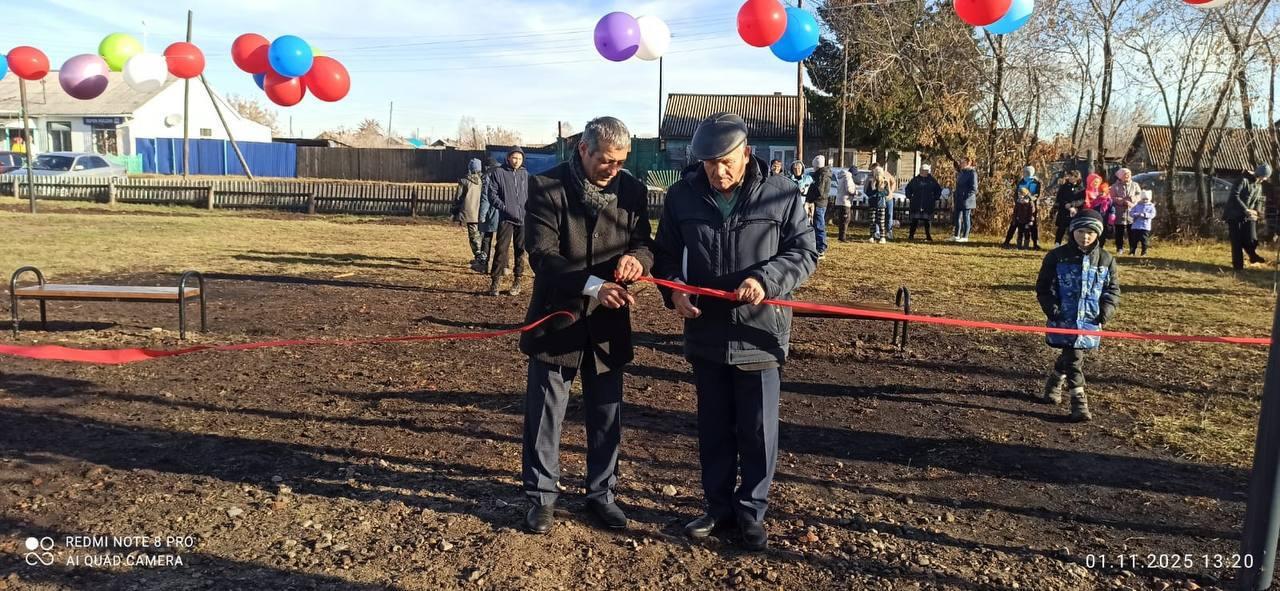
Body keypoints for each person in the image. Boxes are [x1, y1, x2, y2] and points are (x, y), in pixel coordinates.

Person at [652, 113, 817, 551]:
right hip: (706, 332)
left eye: (726, 162)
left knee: (758, 430)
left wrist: (766, 280)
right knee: (714, 428)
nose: (718, 172)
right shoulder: (682, 196)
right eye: (710, 164)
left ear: (746, 153)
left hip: (760, 333)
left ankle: (751, 511)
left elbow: (804, 251)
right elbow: (664, 254)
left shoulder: (781, 193)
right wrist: (674, 290)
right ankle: (718, 508)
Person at [519, 116, 654, 534]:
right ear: (583, 149)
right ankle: (541, 497)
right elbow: (542, 255)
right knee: (545, 415)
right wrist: (593, 286)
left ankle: (602, 494)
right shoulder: (547, 187)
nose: (613, 169)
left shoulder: (632, 191)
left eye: (621, 161)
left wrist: (638, 261)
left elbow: (645, 244)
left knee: (606, 414)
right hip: (557, 321)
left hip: (609, 324)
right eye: (606, 160)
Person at [1037, 209, 1121, 422]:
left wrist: (1106, 311)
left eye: (1090, 232)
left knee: (1071, 355)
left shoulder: (1106, 259)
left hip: (1089, 320)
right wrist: (1052, 308)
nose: (1085, 236)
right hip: (1063, 318)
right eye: (1081, 231)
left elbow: (1112, 290)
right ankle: (1079, 403)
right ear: (1072, 231)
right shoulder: (1057, 257)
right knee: (1074, 359)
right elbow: (1044, 287)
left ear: (1098, 234)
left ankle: (1054, 383)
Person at [486, 147, 530, 296]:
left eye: (520, 158)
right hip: (506, 218)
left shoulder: (525, 174)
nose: (517, 161)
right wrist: (504, 208)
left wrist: (528, 210)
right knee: (501, 249)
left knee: (520, 250)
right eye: (514, 158)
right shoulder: (499, 173)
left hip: (523, 219)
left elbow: (530, 195)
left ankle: (517, 281)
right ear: (508, 158)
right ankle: (495, 282)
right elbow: (492, 194)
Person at [1224, 164, 1272, 270]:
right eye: (1264, 177)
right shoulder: (1243, 180)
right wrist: (1245, 209)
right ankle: (1238, 266)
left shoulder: (1258, 185)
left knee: (1251, 239)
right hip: (1234, 214)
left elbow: (1259, 200)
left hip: (1248, 216)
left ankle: (1253, 256)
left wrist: (1257, 212)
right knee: (1237, 241)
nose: (1264, 179)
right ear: (1260, 175)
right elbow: (1234, 196)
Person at [451, 158, 487, 272]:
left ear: (469, 168)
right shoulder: (484, 180)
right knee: (482, 235)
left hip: (470, 212)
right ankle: (483, 256)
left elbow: (459, 198)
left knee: (473, 235)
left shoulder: (464, 181)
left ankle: (478, 256)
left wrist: (454, 210)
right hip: (483, 212)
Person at [1004, 166, 1042, 249]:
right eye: (1024, 172)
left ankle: (1035, 243)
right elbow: (1016, 193)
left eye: (1026, 172)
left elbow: (1037, 195)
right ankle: (1007, 241)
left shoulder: (1036, 183)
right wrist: (1017, 200)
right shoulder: (1021, 181)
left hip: (1030, 206)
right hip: (1020, 205)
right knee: (1014, 223)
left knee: (1032, 225)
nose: (1024, 173)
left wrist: (1029, 199)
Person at [476, 157, 502, 273]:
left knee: (486, 238)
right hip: (504, 212)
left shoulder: (488, 176)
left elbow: (485, 198)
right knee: (502, 241)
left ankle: (484, 265)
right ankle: (503, 266)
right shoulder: (504, 174)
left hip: (491, 212)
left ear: (487, 167)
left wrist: (482, 216)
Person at [905, 164, 943, 241]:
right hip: (916, 203)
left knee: (927, 221)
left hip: (928, 204)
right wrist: (910, 196)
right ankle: (911, 236)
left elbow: (938, 190)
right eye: (923, 170)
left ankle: (928, 236)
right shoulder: (915, 180)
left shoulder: (932, 181)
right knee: (914, 220)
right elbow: (908, 188)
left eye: (926, 170)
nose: (924, 172)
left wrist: (935, 198)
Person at [1109, 168, 1140, 253]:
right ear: (1120, 176)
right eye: (1125, 174)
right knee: (1119, 231)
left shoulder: (1135, 185)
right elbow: (1112, 198)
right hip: (1119, 212)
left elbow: (1139, 195)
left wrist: (1132, 199)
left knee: (1132, 231)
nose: (1127, 176)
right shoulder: (1114, 186)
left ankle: (1133, 248)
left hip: (1132, 211)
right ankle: (1119, 248)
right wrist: (1122, 201)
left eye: (1129, 174)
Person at [806, 155, 832, 258]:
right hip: (821, 203)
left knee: (818, 225)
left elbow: (819, 191)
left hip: (818, 203)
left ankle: (821, 248)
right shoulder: (824, 174)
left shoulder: (821, 175)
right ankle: (818, 246)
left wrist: (810, 198)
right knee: (817, 224)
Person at [865, 162, 895, 243]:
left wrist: (881, 191)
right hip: (872, 204)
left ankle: (882, 237)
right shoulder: (871, 182)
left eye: (879, 174)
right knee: (872, 221)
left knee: (881, 221)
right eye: (876, 174)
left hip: (881, 204)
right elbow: (868, 192)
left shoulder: (884, 182)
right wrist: (874, 190)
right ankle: (872, 236)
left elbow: (887, 192)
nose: (877, 176)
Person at [1053, 170, 1085, 245]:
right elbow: (1059, 198)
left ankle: (1072, 244)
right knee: (1061, 228)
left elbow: (1081, 200)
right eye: (1069, 176)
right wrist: (1066, 204)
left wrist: (1072, 205)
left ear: (1076, 177)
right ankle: (1057, 244)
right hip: (1063, 210)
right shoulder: (1064, 187)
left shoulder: (1081, 188)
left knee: (1073, 229)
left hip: (1075, 211)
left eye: (1071, 176)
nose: (1069, 177)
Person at [952, 158, 978, 242]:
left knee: (966, 217)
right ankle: (956, 235)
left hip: (967, 199)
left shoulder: (972, 173)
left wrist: (966, 196)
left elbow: (974, 188)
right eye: (961, 162)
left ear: (968, 163)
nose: (961, 164)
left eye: (962, 162)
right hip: (958, 198)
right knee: (957, 217)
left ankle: (965, 236)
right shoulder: (961, 172)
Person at [1088, 176, 1115, 251]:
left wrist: (1110, 221)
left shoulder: (1109, 201)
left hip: (1105, 221)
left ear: (1106, 192)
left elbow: (1112, 211)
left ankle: (1100, 247)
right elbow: (1092, 209)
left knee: (1103, 235)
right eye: (1100, 192)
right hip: (1096, 220)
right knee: (1096, 233)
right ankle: (1094, 246)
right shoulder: (1095, 200)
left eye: (1103, 192)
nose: (1101, 193)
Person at [831, 167, 857, 242]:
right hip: (845, 201)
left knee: (842, 219)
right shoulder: (848, 177)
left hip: (839, 201)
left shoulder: (841, 177)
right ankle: (842, 237)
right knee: (846, 219)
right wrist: (855, 192)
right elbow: (849, 189)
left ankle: (841, 236)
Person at [1128, 190, 1156, 256]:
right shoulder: (1137, 205)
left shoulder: (1151, 206)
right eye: (1143, 199)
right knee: (1134, 240)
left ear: (1149, 199)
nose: (1145, 200)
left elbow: (1152, 215)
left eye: (1146, 199)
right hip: (1136, 226)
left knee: (1144, 241)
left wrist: (1145, 215)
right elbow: (1131, 212)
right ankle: (1132, 251)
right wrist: (1136, 214)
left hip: (1145, 227)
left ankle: (1144, 252)